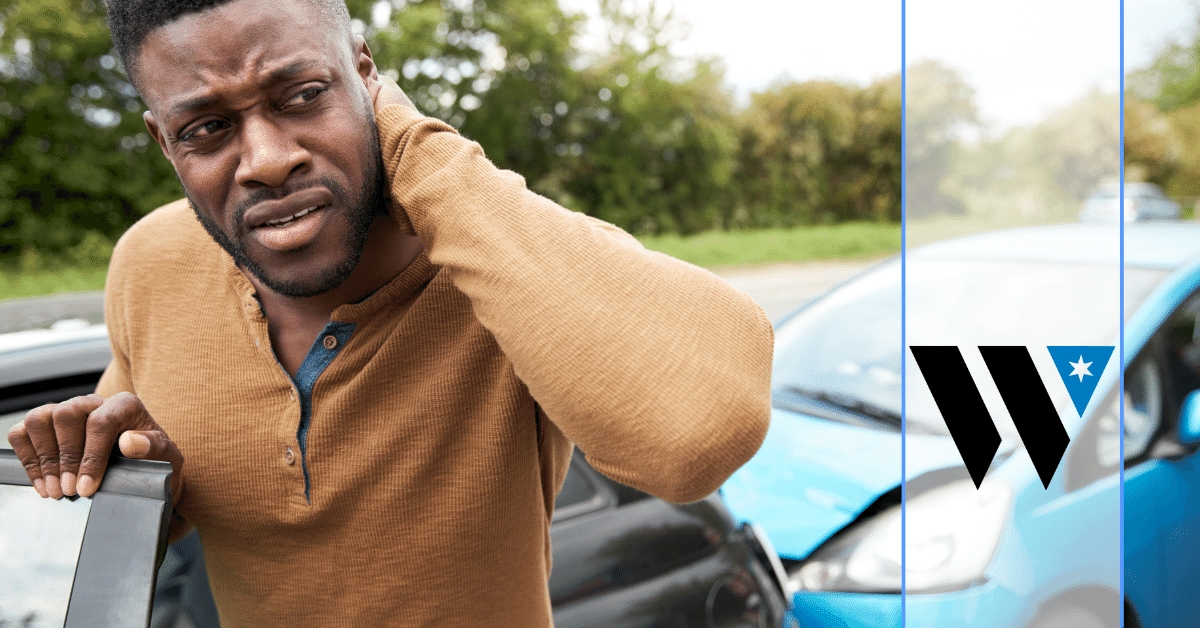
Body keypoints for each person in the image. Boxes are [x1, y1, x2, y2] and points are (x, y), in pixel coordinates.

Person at [7, 0, 774, 625]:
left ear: (365, 74)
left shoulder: (498, 252)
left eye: (304, 94)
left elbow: (696, 440)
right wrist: (140, 473)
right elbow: (136, 505)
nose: (269, 159)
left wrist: (422, 155)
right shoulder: (148, 263)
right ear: (163, 142)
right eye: (206, 128)